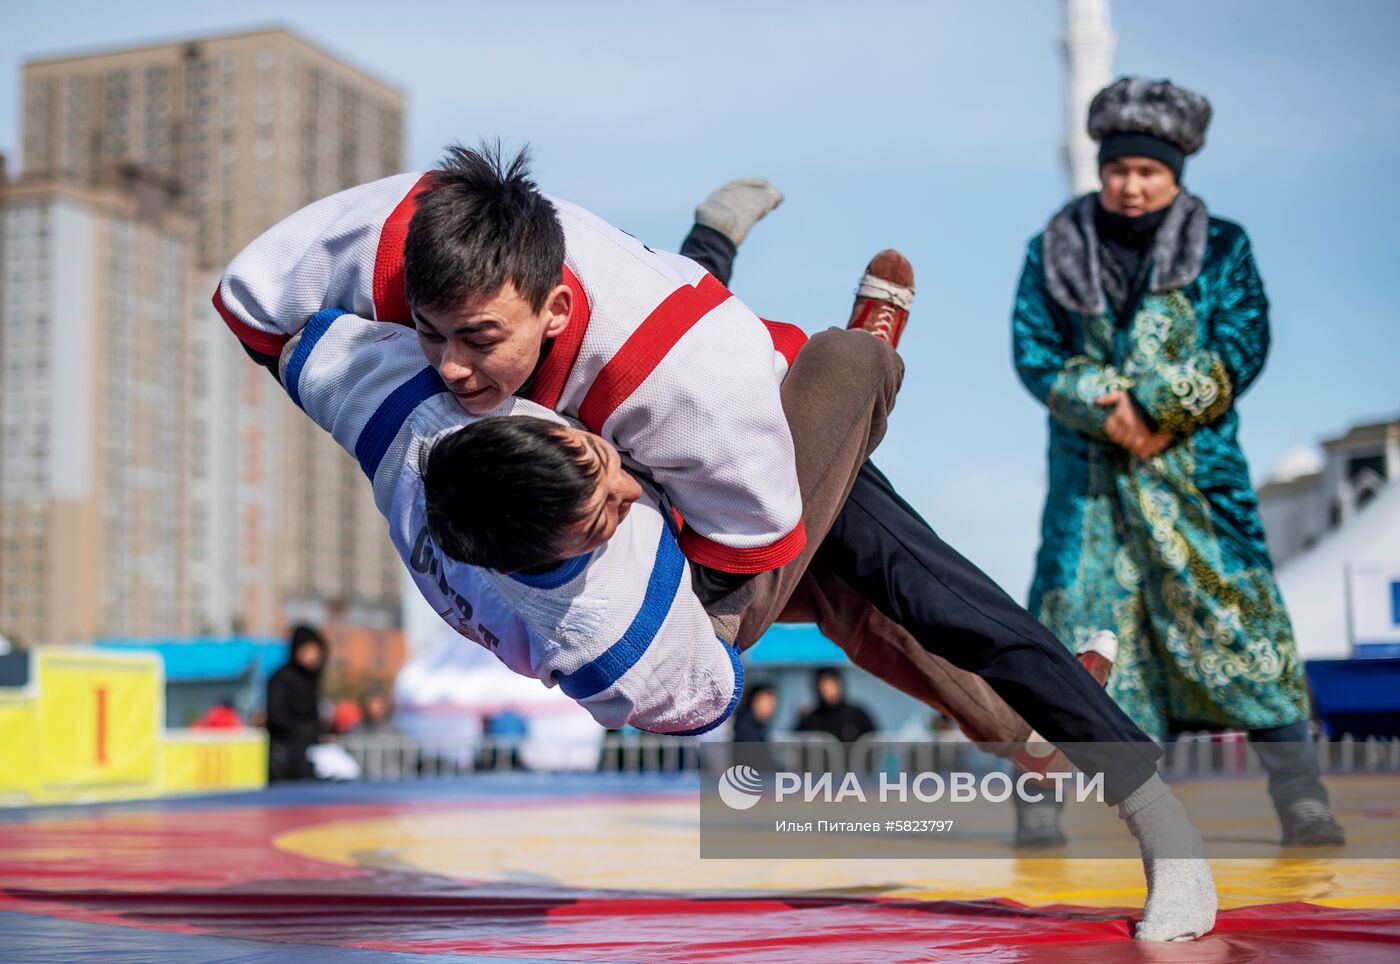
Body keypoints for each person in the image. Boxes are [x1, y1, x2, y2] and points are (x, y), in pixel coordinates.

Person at [221, 156, 1216, 940]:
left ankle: (1151, 818)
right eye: (429, 333)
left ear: (554, 311)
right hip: (669, 516)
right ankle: (1025, 716)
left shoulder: (683, 387)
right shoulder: (608, 626)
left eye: (477, 340)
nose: (446, 365)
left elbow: (758, 552)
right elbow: (249, 301)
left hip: (764, 414)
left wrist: (629, 494)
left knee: (907, 588)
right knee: (852, 580)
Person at [1012, 76, 1343, 847]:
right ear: (1102, 166)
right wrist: (1108, 407)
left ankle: (1302, 798)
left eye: (1149, 172)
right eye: (1120, 168)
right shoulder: (1053, 248)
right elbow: (1035, 353)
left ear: (1176, 173)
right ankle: (1037, 805)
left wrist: (1161, 408)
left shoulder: (1223, 245)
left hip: (1195, 474)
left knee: (1244, 620)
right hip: (1091, 485)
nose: (1132, 185)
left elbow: (1244, 340)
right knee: (1068, 630)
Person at [266, 625, 327, 781]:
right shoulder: (281, 679)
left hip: (309, 756)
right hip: (285, 758)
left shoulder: (312, 678)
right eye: (309, 649)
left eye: (317, 650)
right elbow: (276, 716)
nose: (314, 655)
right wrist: (305, 731)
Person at [796, 668, 876, 743]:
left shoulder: (856, 715)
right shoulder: (810, 719)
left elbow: (874, 741)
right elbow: (795, 743)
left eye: (832, 684)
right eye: (824, 687)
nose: (829, 690)